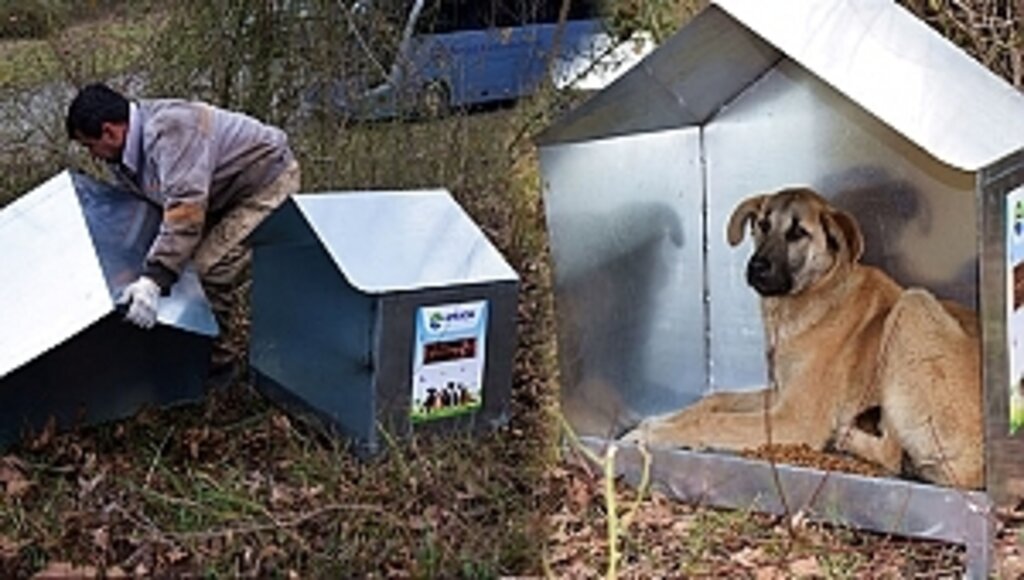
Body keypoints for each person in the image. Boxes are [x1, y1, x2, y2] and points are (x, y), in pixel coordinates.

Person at [66, 82, 301, 387]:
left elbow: (185, 215)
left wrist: (153, 280)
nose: (93, 155)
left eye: (89, 145)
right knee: (178, 267)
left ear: (110, 131)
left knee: (208, 270)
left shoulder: (172, 131)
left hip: (263, 184)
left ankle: (215, 363)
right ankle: (177, 352)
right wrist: (124, 266)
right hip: (216, 191)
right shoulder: (123, 157)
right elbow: (142, 215)